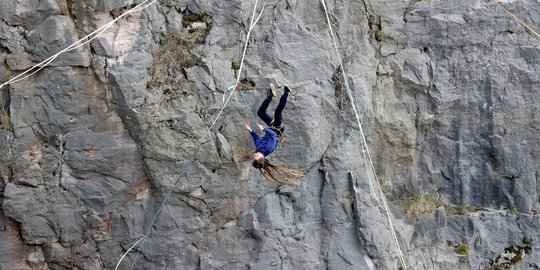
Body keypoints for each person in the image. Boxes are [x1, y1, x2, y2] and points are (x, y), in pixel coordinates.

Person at [244, 83, 303, 185]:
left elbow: (256, 139)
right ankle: (286, 92)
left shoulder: (259, 148)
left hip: (271, 127)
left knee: (260, 113)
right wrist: (264, 129)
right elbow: (273, 135)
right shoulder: (268, 149)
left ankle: (270, 95)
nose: (255, 156)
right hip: (278, 129)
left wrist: (250, 131)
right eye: (256, 157)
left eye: (254, 157)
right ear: (262, 158)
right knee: (278, 112)